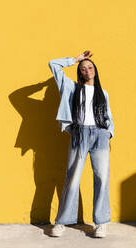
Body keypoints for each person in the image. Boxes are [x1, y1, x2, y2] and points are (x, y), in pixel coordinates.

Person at [47, 50, 115, 238]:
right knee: (73, 177)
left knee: (102, 177)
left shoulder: (104, 93)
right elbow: (53, 64)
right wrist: (76, 59)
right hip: (80, 133)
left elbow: (108, 116)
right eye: (83, 68)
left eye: (90, 67)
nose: (87, 70)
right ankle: (61, 222)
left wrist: (109, 132)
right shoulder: (71, 88)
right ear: (80, 72)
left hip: (100, 134)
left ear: (95, 70)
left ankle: (100, 223)